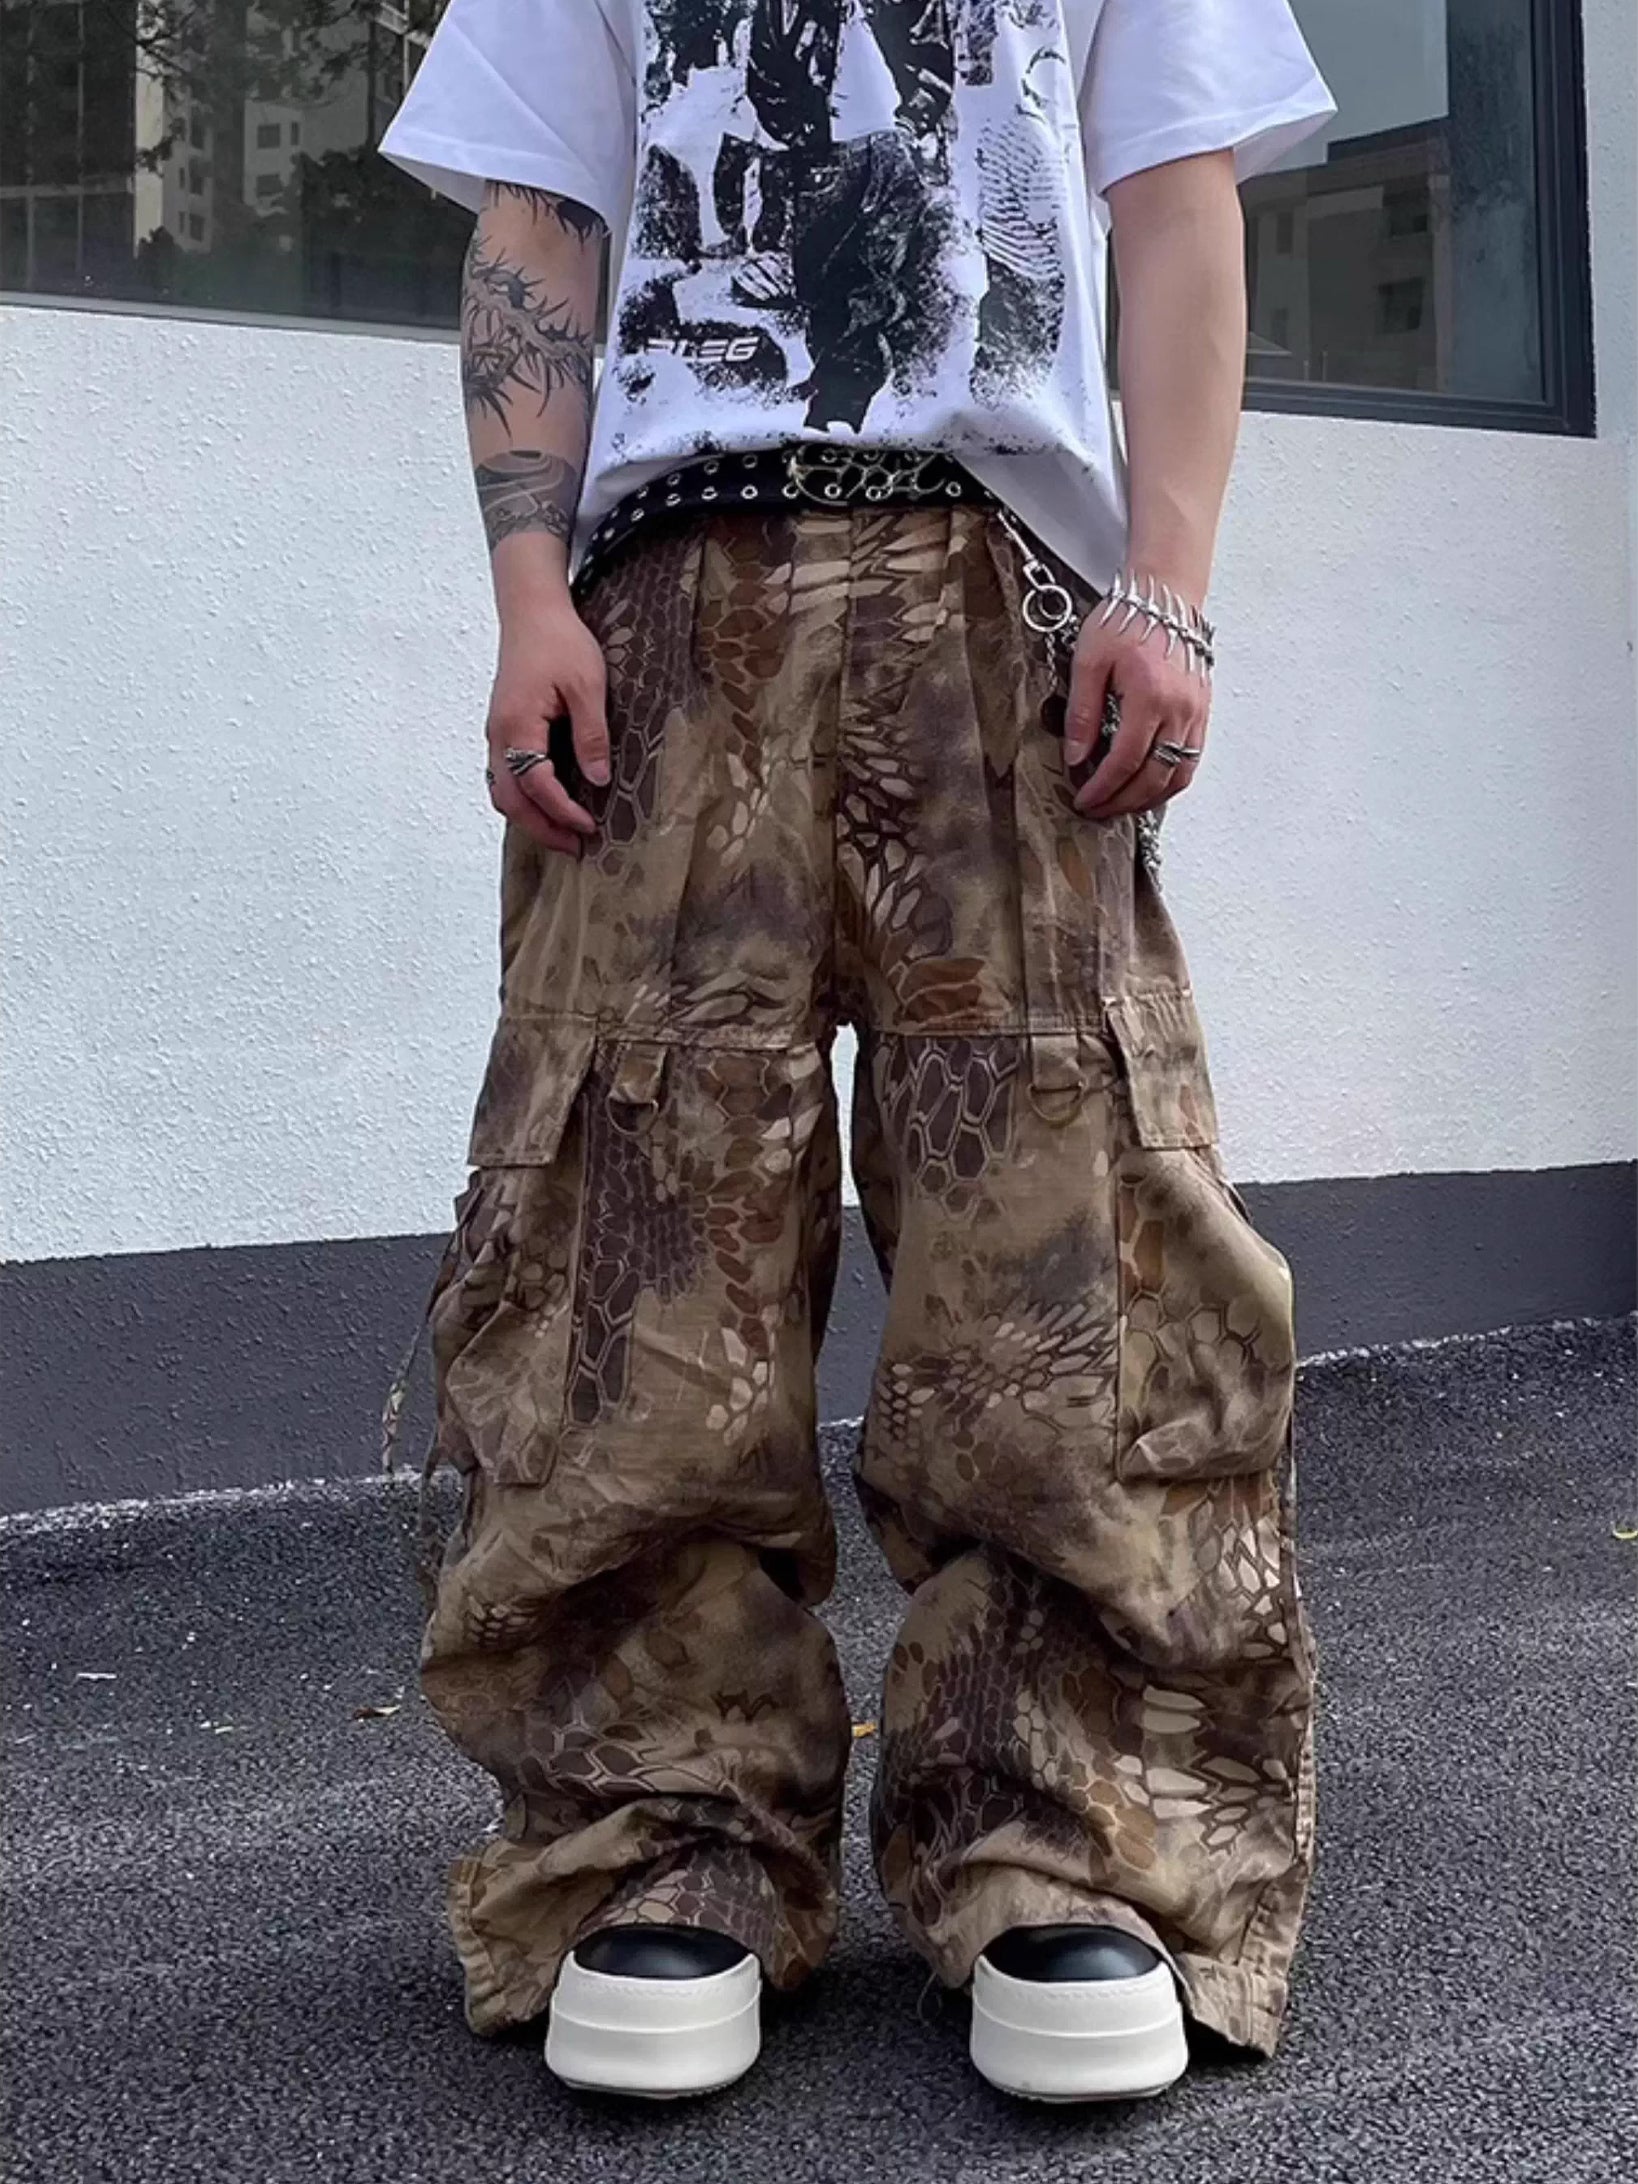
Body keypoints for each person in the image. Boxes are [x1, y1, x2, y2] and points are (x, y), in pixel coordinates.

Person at [379, 0, 1335, 2105]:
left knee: (1062, 1235)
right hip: (667, 591)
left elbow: (1174, 197)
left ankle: (1068, 1836)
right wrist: (528, 592)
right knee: (635, 1229)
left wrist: (1170, 582)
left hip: (1003, 588)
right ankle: (665, 1831)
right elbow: (539, 221)